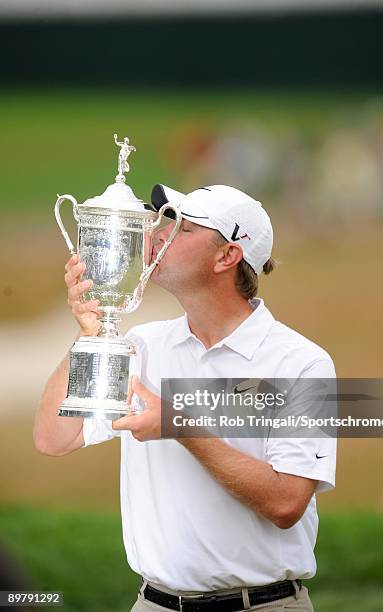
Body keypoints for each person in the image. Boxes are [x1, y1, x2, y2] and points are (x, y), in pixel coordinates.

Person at [34, 184, 337, 612]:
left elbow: (287, 502)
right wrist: (90, 335)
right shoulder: (143, 344)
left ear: (227, 256)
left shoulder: (302, 363)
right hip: (153, 604)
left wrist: (178, 425)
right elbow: (54, 437)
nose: (158, 234)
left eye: (183, 227)